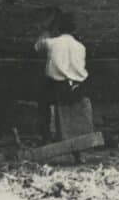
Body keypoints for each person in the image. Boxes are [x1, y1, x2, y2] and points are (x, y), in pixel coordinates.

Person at [34, 11, 88, 144]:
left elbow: (37, 46)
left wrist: (46, 29)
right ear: (74, 30)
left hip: (59, 90)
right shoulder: (81, 47)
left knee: (42, 101)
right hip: (78, 91)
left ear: (58, 29)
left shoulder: (52, 43)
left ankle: (46, 138)